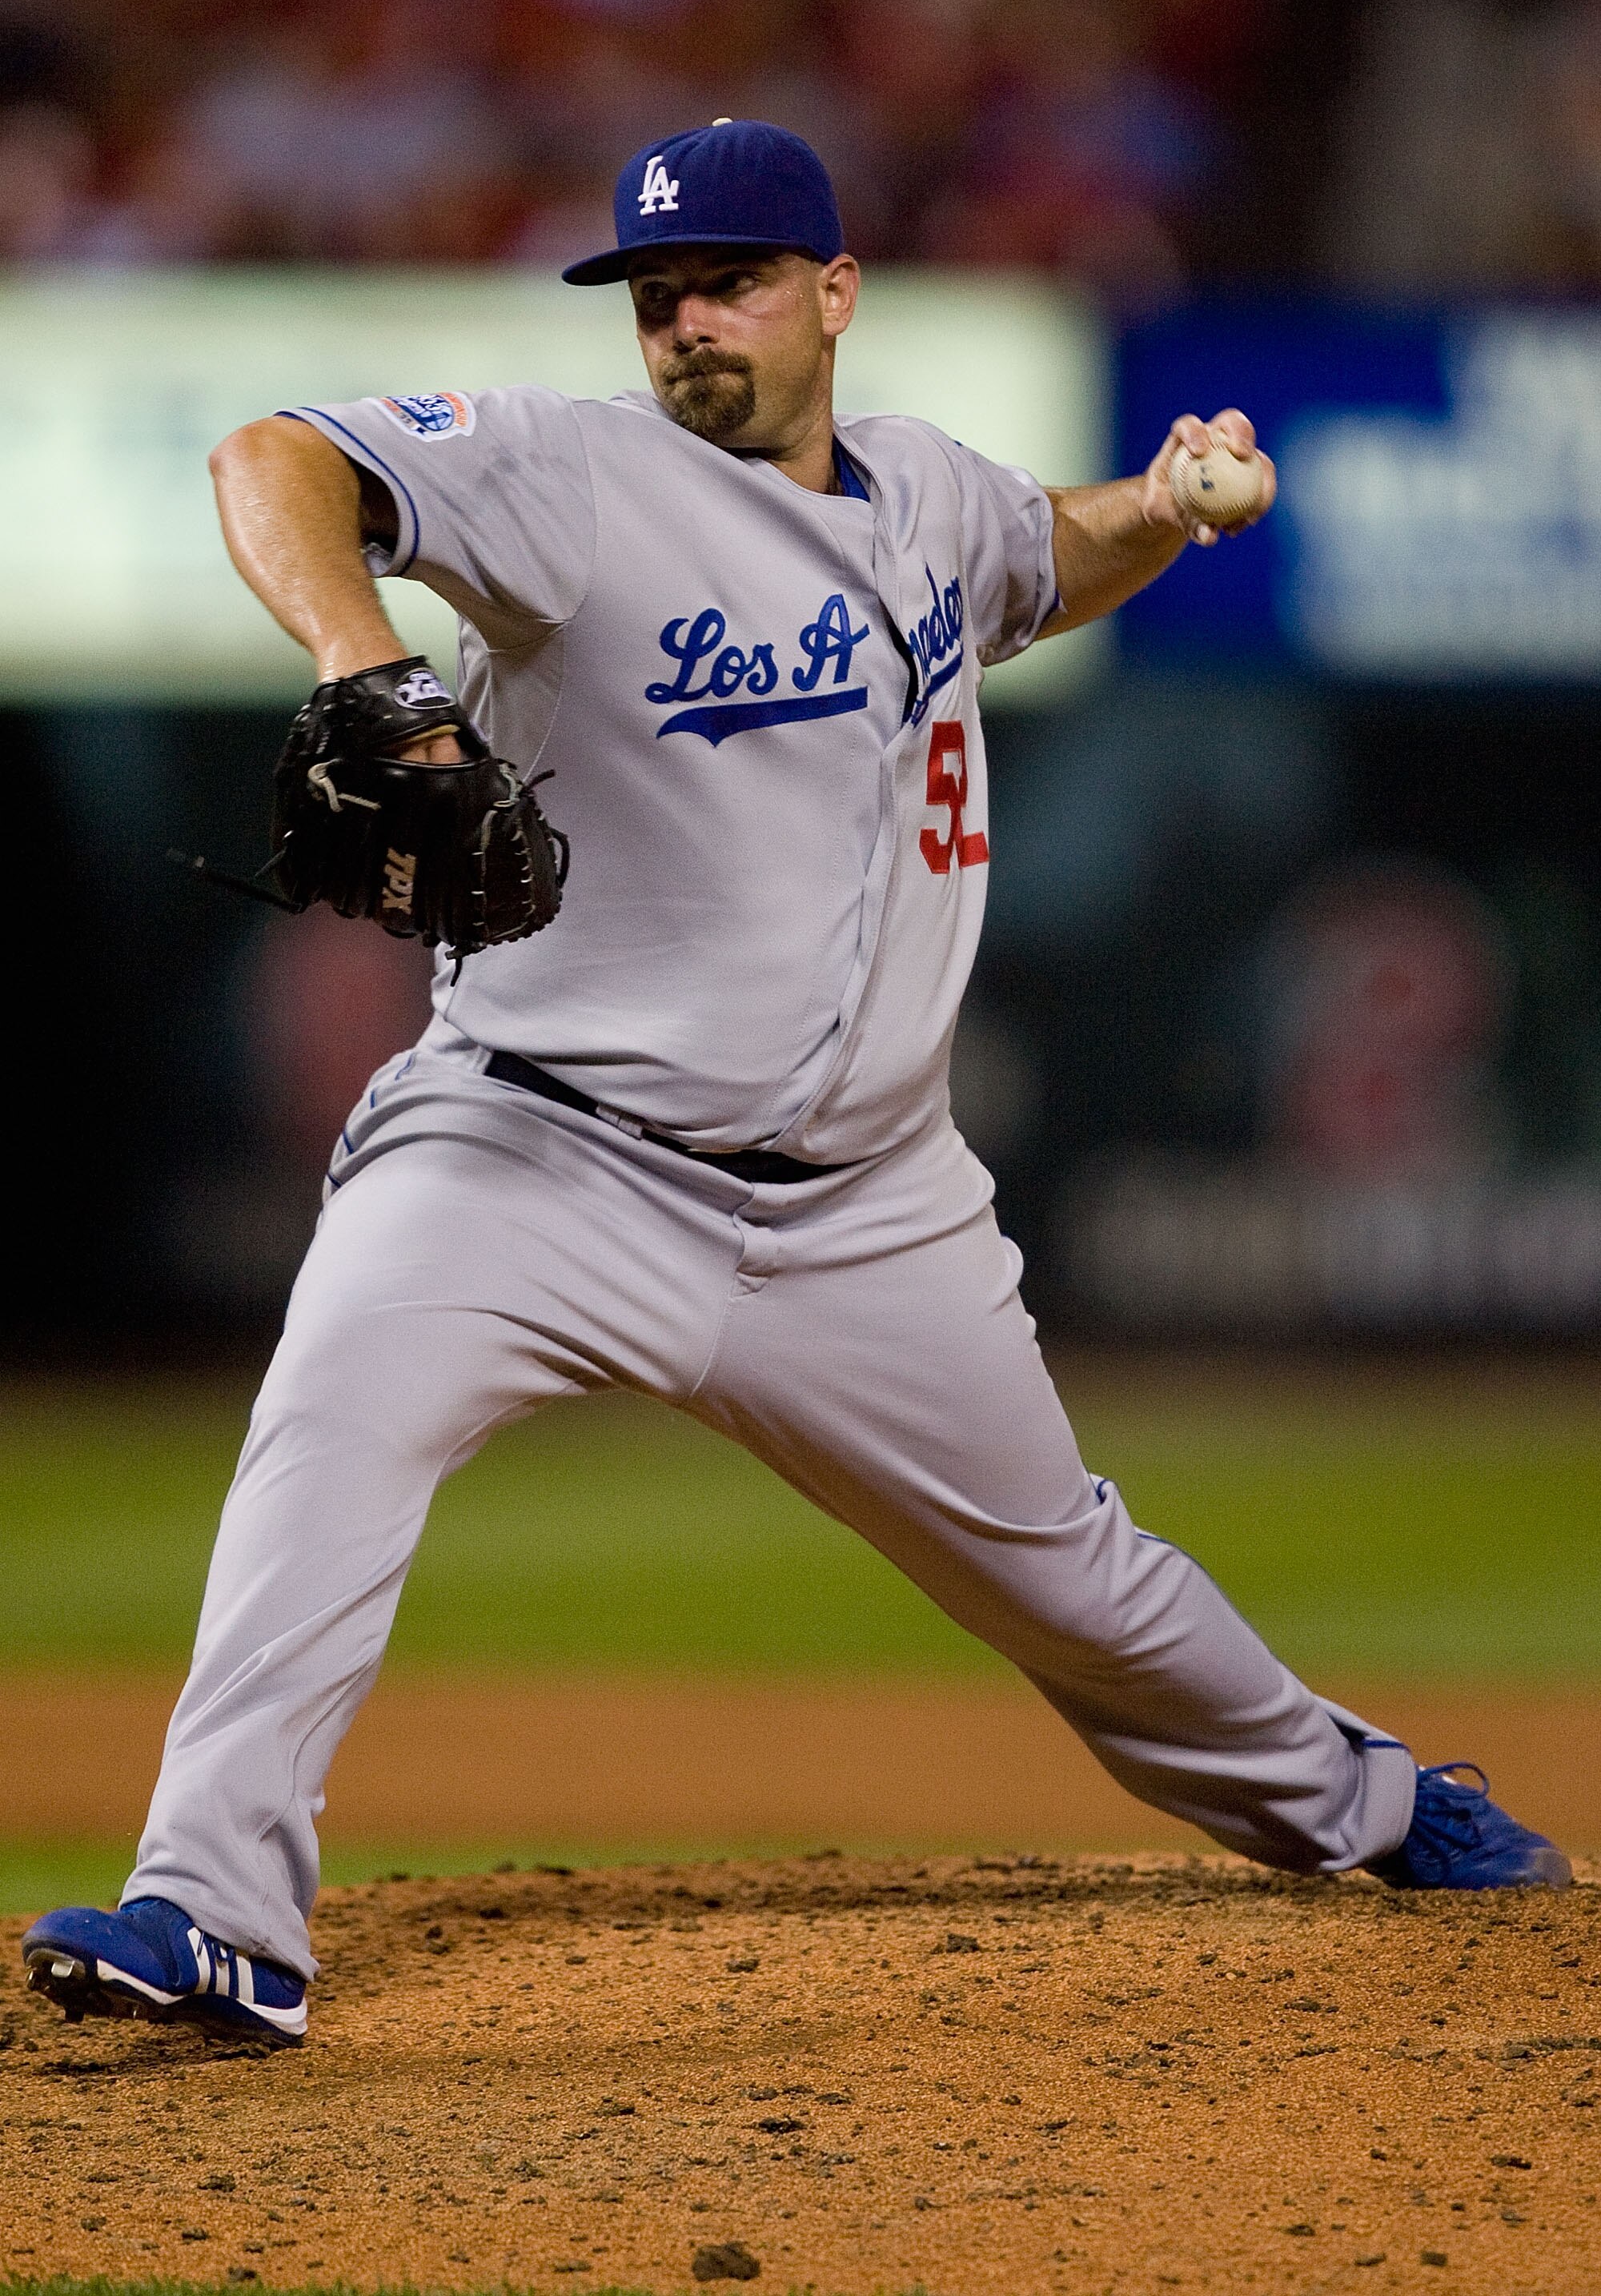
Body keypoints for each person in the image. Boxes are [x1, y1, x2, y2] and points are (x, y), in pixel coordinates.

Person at [22, 121, 1567, 2051]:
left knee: (1075, 1585)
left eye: (732, 281)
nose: (688, 324)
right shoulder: (570, 474)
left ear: (834, 295)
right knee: (323, 1448)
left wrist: (1161, 507)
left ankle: (1366, 1800)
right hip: (529, 1153)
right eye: (659, 293)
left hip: (866, 1208)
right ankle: (215, 1912)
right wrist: (368, 672)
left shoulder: (922, 484)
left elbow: (1034, 557)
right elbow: (275, 460)